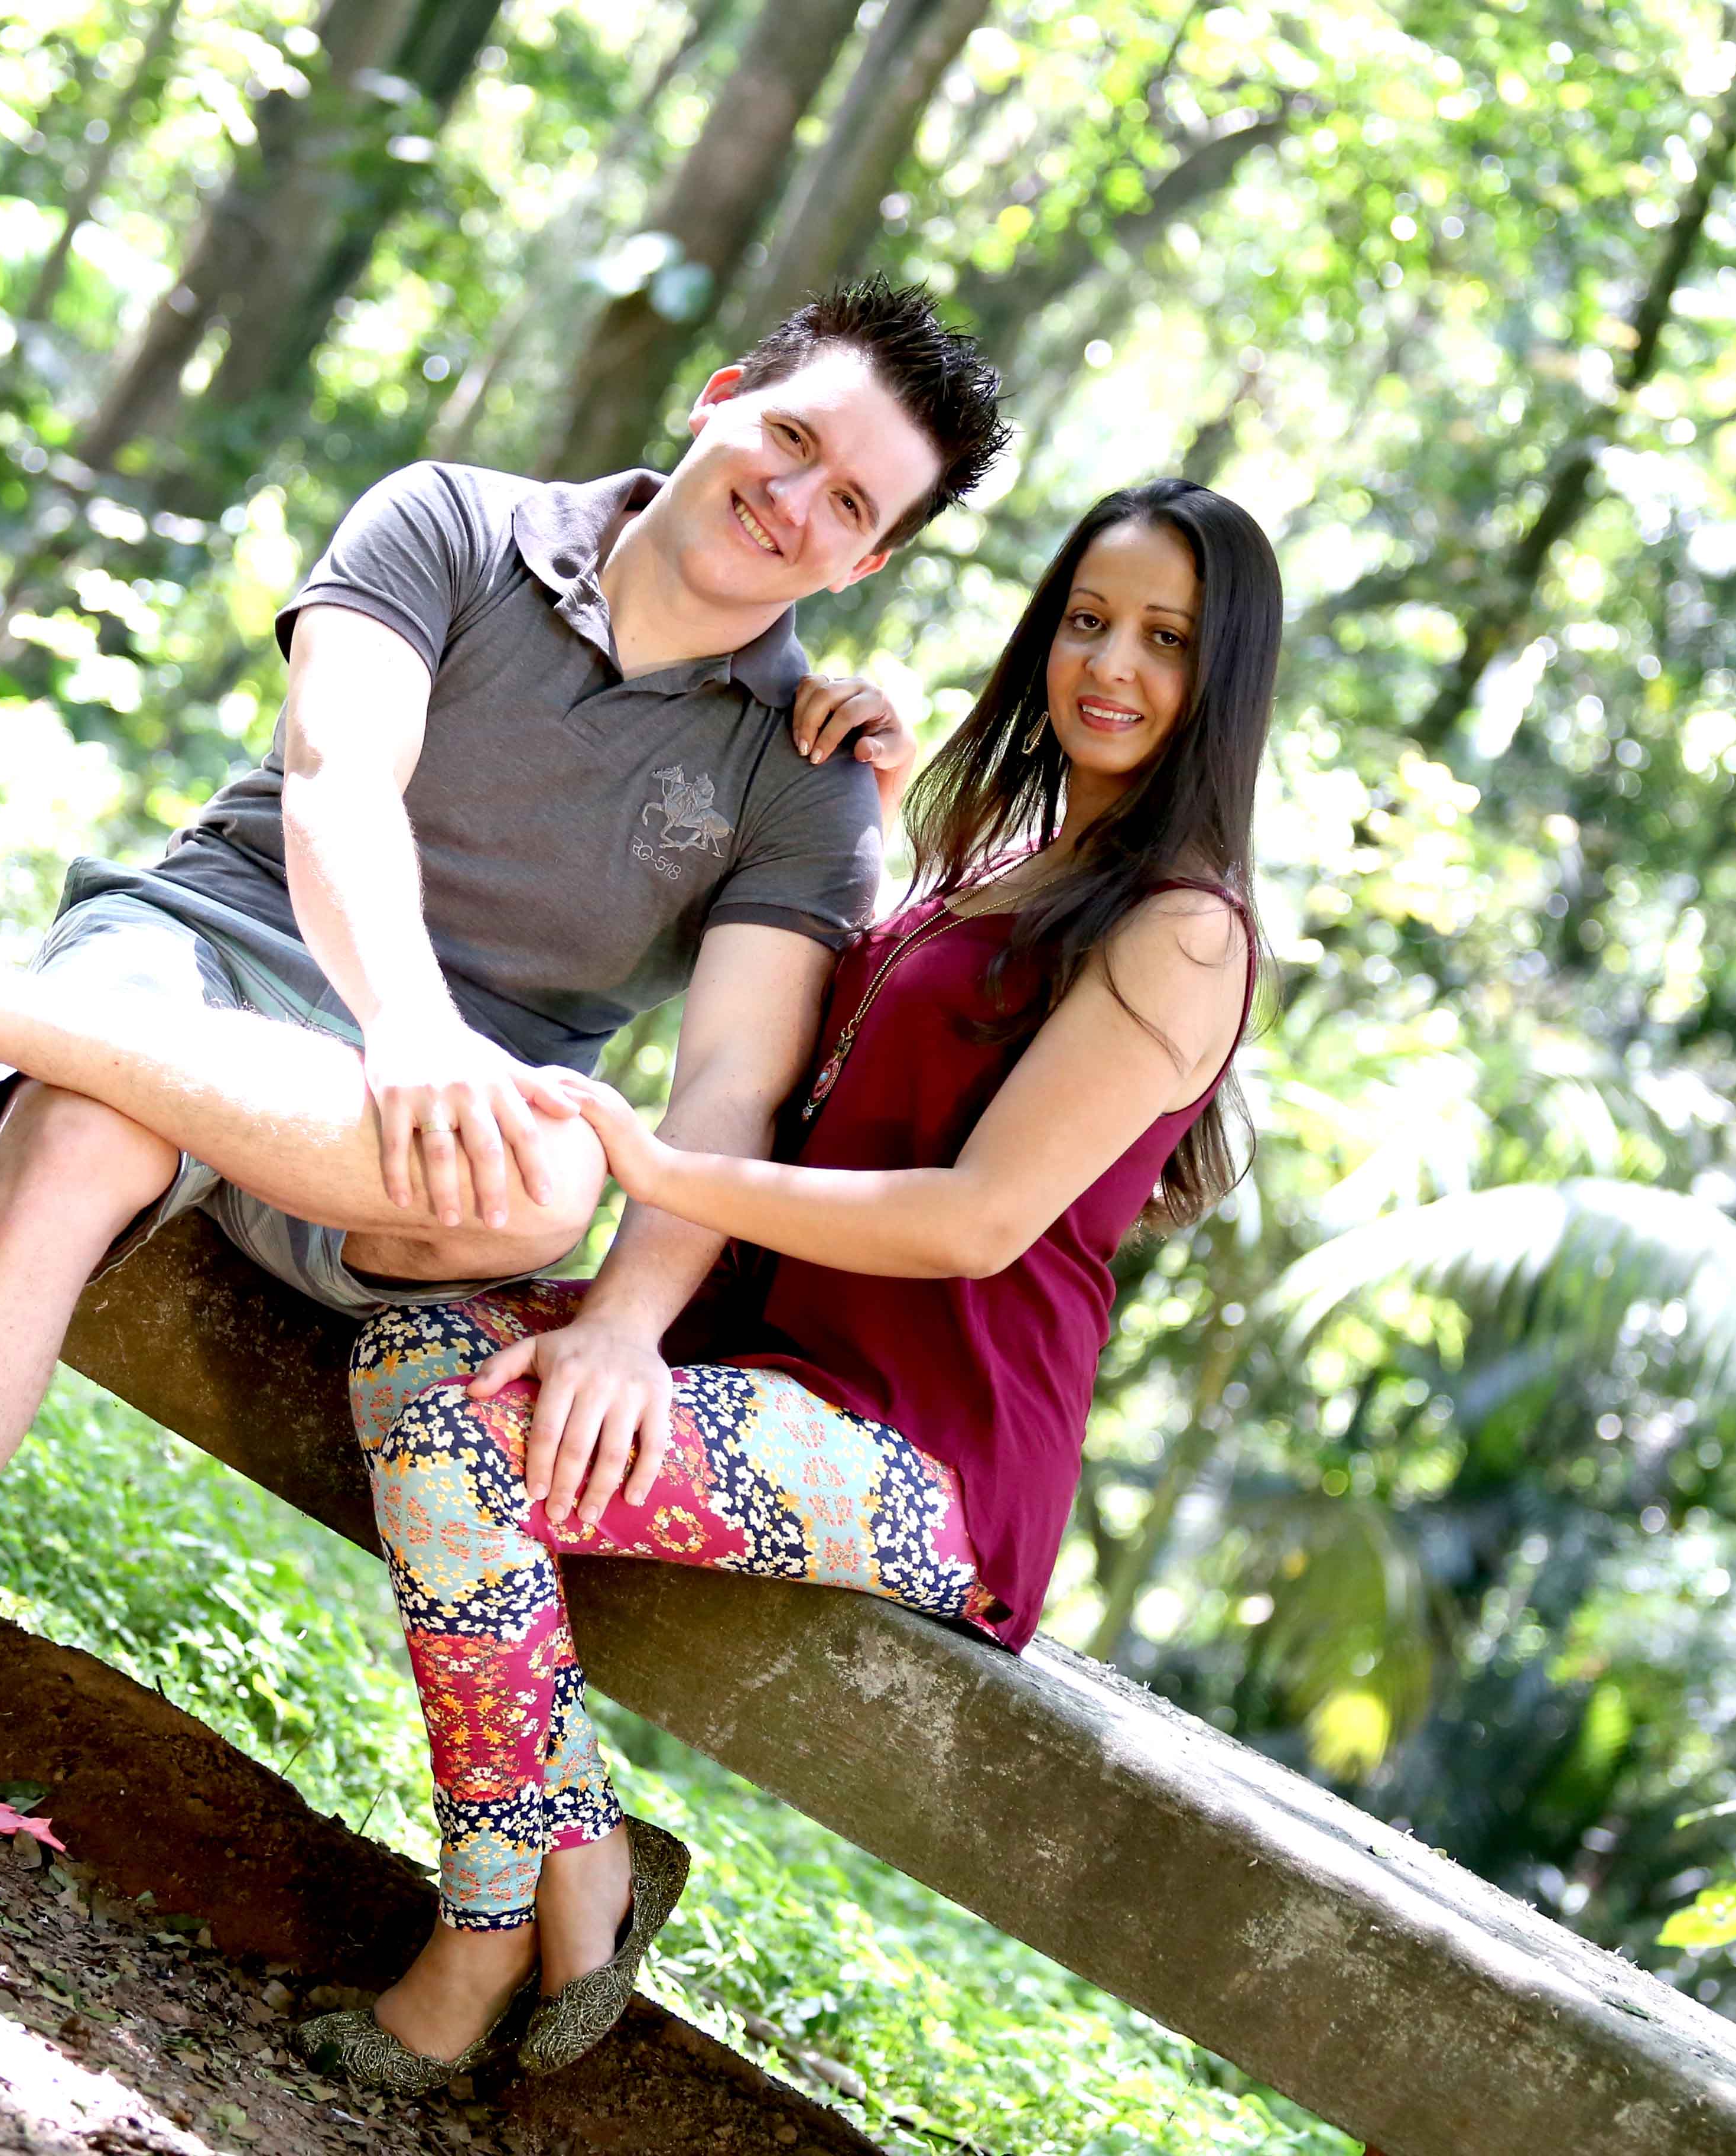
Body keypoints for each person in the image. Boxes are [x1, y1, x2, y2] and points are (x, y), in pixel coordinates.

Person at [0, 280, 1008, 1915]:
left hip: (407, 1140)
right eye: (792, 437)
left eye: (851, 503)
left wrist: (622, 1324)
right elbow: (337, 782)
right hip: (210, 954)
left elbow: (731, 1090)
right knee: (78, 1136)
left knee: (552, 1184)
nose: (795, 499)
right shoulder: (450, 520)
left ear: (866, 564)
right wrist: (403, 1019)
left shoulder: (810, 783)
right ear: (720, 394)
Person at [303, 478, 1278, 2089]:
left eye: (1166, 640)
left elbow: (973, 1222)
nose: (1111, 665)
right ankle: (587, 1856)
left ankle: (482, 1933)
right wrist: (871, 794)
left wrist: (668, 1173)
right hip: (774, 1355)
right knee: (423, 1354)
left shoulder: (1184, 932)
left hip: (930, 1448)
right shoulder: (1013, 862)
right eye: (1088, 620)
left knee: (467, 1437)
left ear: (1222, 676)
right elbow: (852, 1056)